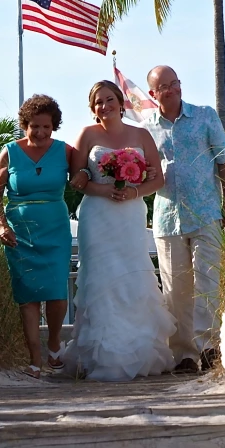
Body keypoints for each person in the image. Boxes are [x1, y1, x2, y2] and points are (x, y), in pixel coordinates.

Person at [63, 81, 175, 381]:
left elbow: (158, 179)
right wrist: (103, 187)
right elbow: (77, 179)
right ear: (92, 108)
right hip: (97, 215)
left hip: (129, 214)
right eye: (98, 102)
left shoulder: (140, 134)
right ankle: (98, 354)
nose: (104, 106)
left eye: (109, 99)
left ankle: (140, 350)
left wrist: (133, 193)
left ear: (120, 102)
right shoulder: (87, 135)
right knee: (99, 278)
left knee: (132, 275)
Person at [142, 65, 225, 374]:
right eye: (163, 87)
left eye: (174, 84)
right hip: (167, 219)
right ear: (153, 94)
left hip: (206, 211)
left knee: (207, 280)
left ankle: (209, 347)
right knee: (175, 288)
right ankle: (183, 354)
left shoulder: (205, 116)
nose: (171, 90)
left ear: (180, 85)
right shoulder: (146, 129)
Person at [0, 94, 79, 379]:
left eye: (46, 127)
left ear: (54, 127)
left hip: (55, 228)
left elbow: (84, 175)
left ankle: (53, 344)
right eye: (34, 127)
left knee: (55, 291)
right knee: (27, 296)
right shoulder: (10, 151)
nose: (40, 133)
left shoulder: (65, 151)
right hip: (19, 231)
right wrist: (2, 225)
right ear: (24, 125)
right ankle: (34, 358)